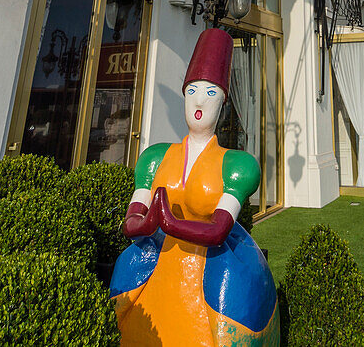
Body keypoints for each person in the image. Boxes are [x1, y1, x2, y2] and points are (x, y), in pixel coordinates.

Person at [110, 28, 279, 346]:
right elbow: (132, 219)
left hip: (210, 267)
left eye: (211, 93)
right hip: (158, 265)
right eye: (193, 91)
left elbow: (218, 229)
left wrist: (170, 223)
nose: (200, 100)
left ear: (223, 104)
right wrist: (143, 224)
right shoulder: (154, 157)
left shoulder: (238, 165)